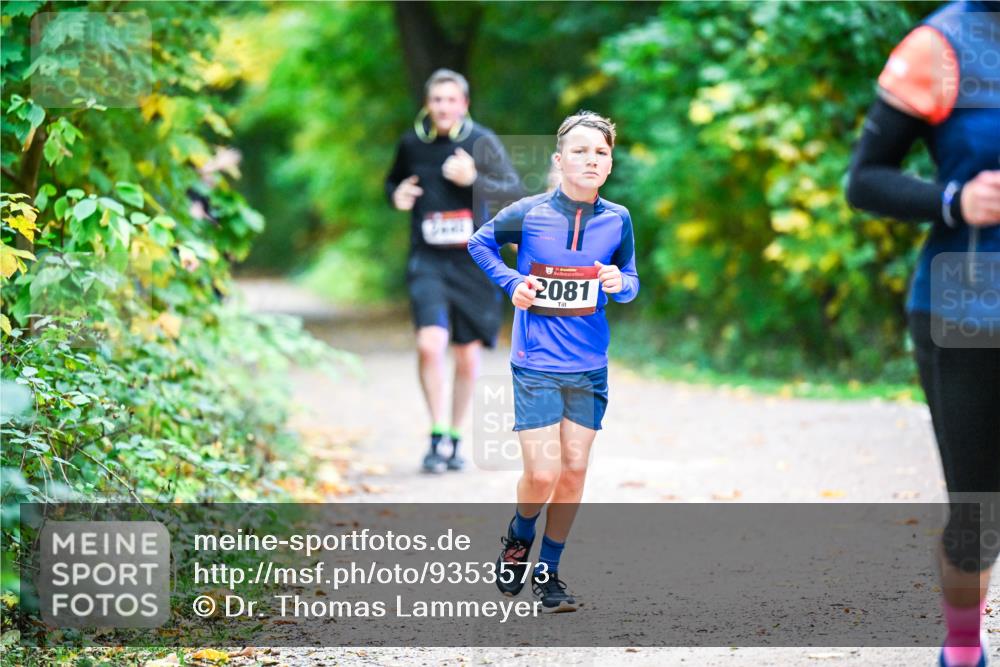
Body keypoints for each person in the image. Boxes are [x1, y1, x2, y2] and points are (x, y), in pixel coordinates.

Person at [846, 2, 1000, 665]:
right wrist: (952, 200)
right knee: (979, 512)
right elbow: (864, 179)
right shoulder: (943, 44)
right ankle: (963, 650)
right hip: (967, 311)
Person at [468, 110, 639, 612]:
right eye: (581, 151)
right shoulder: (528, 212)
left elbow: (630, 279)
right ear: (560, 160)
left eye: (601, 152)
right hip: (537, 360)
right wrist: (512, 284)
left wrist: (618, 283)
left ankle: (550, 571)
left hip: (589, 364)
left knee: (575, 467)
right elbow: (479, 244)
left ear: (610, 164)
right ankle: (519, 535)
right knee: (542, 474)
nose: (591, 159)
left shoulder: (618, 219)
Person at [385, 69, 522, 474]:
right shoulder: (412, 143)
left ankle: (457, 439)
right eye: (437, 100)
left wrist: (475, 179)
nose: (443, 107)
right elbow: (392, 181)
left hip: (474, 261)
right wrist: (397, 195)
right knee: (430, 344)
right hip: (427, 259)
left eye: (451, 100)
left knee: (466, 355)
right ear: (428, 105)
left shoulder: (482, 142)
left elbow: (514, 194)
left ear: (464, 104)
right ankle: (436, 433)